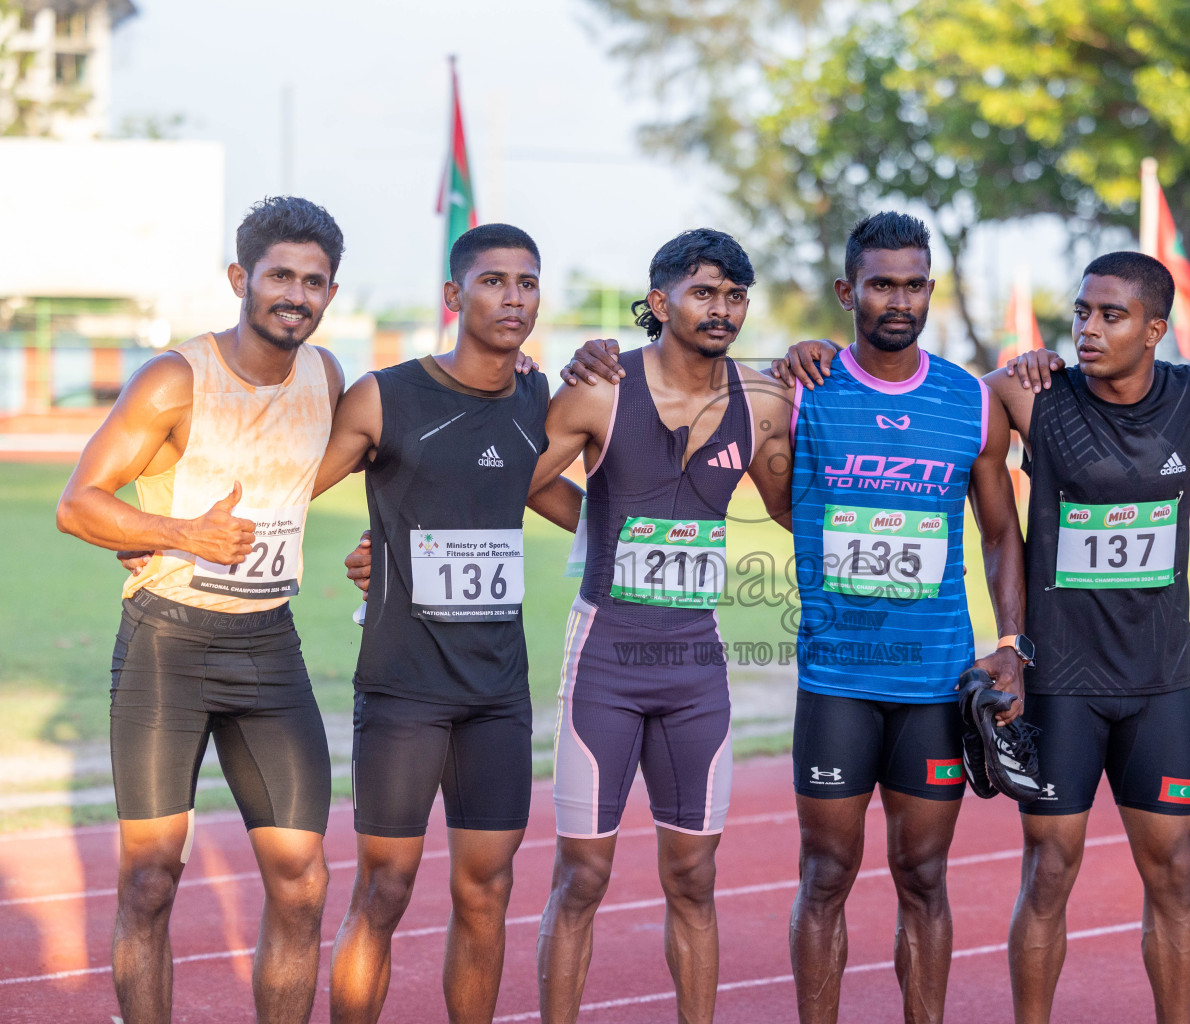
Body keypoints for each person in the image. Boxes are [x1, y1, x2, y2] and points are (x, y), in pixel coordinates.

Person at [780, 249, 1190, 1024]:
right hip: (1060, 686)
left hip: (1159, 689)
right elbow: (925, 387)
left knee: (1173, 876)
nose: (1088, 329)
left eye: (1111, 315)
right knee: (1048, 870)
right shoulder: (1033, 396)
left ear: (1156, 328)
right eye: (1082, 313)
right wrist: (811, 352)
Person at [585, 212, 1026, 1023]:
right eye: (882, 283)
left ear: (932, 288)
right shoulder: (799, 388)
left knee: (924, 877)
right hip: (836, 680)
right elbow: (699, 379)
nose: (900, 299)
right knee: (825, 874)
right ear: (846, 290)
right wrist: (599, 353)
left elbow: (1002, 531)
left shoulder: (969, 400)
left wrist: (1009, 644)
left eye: (915, 283)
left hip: (933, 681)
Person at [56, 196, 346, 1023]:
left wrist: (375, 550)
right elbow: (79, 504)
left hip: (269, 649)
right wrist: (176, 531)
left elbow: (346, 464)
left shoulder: (326, 378)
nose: (296, 294)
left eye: (314, 281)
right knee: (151, 880)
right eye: (281, 275)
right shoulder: (177, 378)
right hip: (166, 649)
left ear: (330, 294)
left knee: (302, 882)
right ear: (239, 279)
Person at [531, 228, 794, 1024]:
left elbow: (790, 509)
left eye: (736, 295)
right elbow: (518, 480)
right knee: (581, 877)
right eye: (704, 292)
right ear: (660, 302)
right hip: (605, 660)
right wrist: (598, 532)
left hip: (695, 670)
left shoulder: (764, 402)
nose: (722, 310)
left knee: (694, 878)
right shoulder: (600, 390)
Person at [319, 223, 578, 1023]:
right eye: (494, 280)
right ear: (452, 296)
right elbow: (288, 491)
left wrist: (646, 535)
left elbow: (547, 498)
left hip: (498, 693)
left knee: (487, 891)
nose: (513, 297)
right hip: (405, 688)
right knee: (384, 889)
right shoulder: (384, 395)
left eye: (527, 282)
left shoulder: (540, 398)